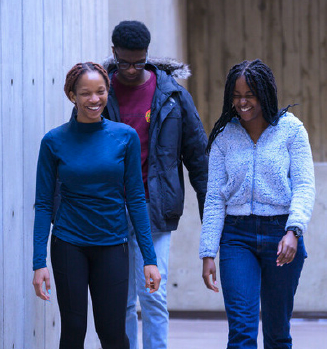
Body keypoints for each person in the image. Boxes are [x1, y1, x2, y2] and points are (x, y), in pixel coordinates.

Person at [32, 62, 161, 349]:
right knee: (74, 330)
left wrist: (150, 259)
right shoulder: (53, 141)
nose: (94, 99)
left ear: (107, 92)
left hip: (113, 244)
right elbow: (42, 204)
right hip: (68, 244)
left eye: (100, 92)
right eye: (86, 93)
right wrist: (38, 262)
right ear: (72, 96)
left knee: (113, 333)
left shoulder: (124, 137)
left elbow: (136, 200)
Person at [103, 20, 209, 349]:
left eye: (139, 61)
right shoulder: (99, 93)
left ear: (148, 54)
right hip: (111, 211)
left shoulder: (173, 96)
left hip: (155, 210)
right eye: (124, 62)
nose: (132, 69)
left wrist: (211, 224)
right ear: (113, 54)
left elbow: (199, 160)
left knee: (152, 295)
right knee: (118, 299)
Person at [200, 59, 315, 348]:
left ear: (265, 93)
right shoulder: (224, 136)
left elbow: (304, 185)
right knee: (241, 333)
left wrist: (294, 229)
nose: (242, 103)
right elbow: (214, 198)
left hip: (282, 234)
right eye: (236, 96)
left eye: (249, 95)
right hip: (236, 237)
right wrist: (207, 252)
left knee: (277, 334)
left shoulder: (291, 130)